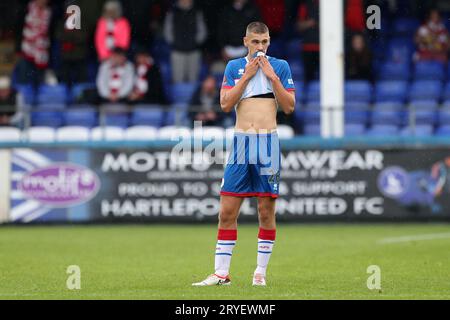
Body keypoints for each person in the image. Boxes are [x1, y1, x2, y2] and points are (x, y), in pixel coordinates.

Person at [192, 22, 295, 287]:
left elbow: (289, 107)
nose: (260, 47)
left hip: (267, 143)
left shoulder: (280, 67)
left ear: (269, 42)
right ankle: (221, 274)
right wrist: (247, 76)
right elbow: (225, 105)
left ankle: (260, 272)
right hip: (240, 144)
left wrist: (272, 77)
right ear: (246, 42)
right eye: (255, 42)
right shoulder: (234, 67)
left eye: (264, 42)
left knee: (265, 210)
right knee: (226, 211)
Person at [163, 0, 207, 83]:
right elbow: (167, 31)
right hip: (177, 52)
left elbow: (202, 30)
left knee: (193, 80)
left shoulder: (197, 11)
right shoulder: (172, 12)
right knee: (178, 80)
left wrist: (195, 43)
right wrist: (175, 43)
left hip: (193, 51)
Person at [15, 0, 52, 87]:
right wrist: (17, 48)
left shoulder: (50, 12)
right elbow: (18, 28)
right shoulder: (26, 9)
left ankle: (40, 98)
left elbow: (52, 33)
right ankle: (24, 98)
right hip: (26, 50)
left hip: (42, 53)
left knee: (40, 81)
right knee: (24, 79)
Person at [296, 0, 320, 83]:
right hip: (308, 47)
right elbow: (299, 26)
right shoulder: (306, 5)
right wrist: (310, 23)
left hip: (326, 48)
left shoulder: (331, 6)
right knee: (308, 79)